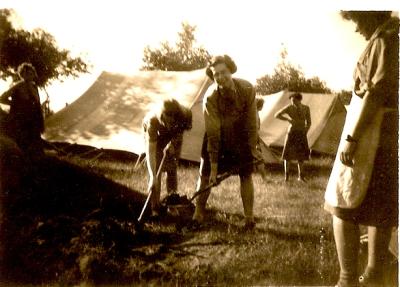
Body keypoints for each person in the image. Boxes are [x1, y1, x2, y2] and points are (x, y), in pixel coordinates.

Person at [324, 11, 398, 287]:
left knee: (341, 202)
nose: (355, 29)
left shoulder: (386, 38)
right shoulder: (392, 34)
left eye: (355, 20)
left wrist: (353, 138)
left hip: (374, 127)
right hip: (390, 129)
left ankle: (347, 279)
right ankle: (373, 275)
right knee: (380, 205)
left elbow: (375, 94)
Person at [192, 55, 259, 230]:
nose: (220, 78)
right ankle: (198, 213)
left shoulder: (247, 88)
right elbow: (214, 132)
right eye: (216, 75)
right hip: (217, 139)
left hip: (240, 138)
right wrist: (214, 166)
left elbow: (252, 122)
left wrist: (254, 148)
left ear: (231, 70)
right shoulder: (210, 97)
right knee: (205, 175)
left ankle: (249, 219)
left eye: (223, 73)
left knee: (246, 175)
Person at [143, 99, 192, 216]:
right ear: (162, 116)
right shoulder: (152, 121)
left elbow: (181, 131)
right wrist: (153, 176)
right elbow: (151, 151)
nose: (168, 123)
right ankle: (155, 207)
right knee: (155, 172)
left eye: (172, 121)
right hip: (156, 136)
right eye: (166, 121)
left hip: (173, 135)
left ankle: (172, 204)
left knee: (172, 168)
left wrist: (173, 144)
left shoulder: (184, 116)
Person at [0, 63, 44, 155]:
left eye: (32, 73)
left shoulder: (34, 87)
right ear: (22, 74)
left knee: (36, 146)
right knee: (24, 145)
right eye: (28, 73)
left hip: (33, 119)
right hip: (21, 119)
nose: (31, 75)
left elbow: (37, 104)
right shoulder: (18, 86)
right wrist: (15, 104)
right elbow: (2, 98)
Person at [274, 92, 311, 181]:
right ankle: (286, 177)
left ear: (299, 100)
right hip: (292, 132)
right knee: (287, 155)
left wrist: (306, 130)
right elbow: (276, 115)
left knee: (301, 156)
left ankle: (301, 177)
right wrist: (288, 119)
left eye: (294, 101)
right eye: (291, 101)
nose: (293, 102)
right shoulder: (289, 107)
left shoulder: (306, 108)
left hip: (301, 133)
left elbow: (309, 122)